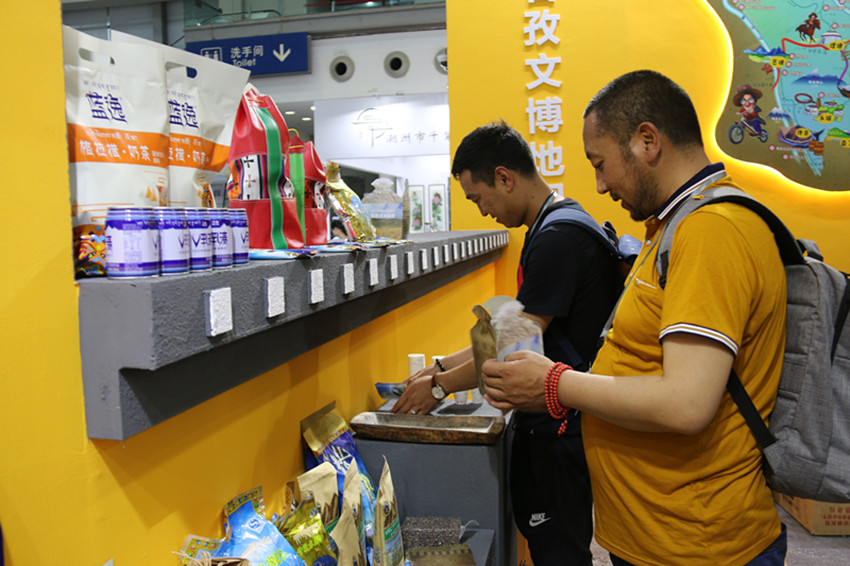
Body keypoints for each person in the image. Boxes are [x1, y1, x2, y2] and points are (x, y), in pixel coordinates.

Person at [481, 70, 788, 565]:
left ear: (647, 141)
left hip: (698, 546)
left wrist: (555, 384)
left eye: (601, 164)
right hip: (657, 537)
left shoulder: (711, 231)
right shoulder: (672, 226)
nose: (600, 185)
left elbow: (686, 403)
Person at [391, 121, 623, 565]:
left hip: (561, 428)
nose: (483, 211)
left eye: (479, 198)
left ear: (504, 177)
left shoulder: (557, 238)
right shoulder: (557, 222)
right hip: (559, 421)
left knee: (560, 551)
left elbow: (513, 344)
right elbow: (508, 327)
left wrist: (439, 386)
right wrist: (440, 366)